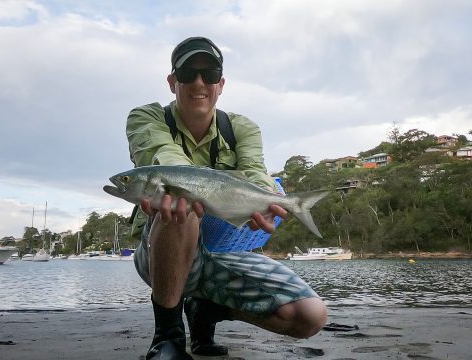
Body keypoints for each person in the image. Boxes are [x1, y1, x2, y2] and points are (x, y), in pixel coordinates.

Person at [125, 36, 327, 359]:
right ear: (172, 81)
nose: (199, 82)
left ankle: (207, 310)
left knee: (309, 317)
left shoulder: (242, 127)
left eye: (209, 73)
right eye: (188, 73)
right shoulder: (145, 118)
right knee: (182, 205)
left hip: (222, 254)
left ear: (221, 83)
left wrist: (269, 198)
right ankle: (168, 337)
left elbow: (255, 171)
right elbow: (165, 157)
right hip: (161, 252)